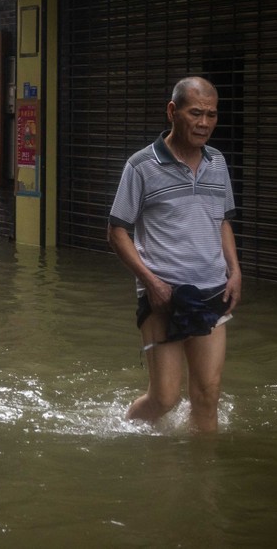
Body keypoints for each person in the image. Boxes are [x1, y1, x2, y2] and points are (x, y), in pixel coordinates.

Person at [108, 76, 241, 432]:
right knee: (164, 398)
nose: (204, 123)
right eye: (195, 113)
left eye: (211, 115)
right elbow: (117, 231)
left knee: (208, 394)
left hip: (212, 291)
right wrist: (150, 283)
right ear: (173, 111)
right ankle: (125, 432)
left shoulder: (218, 163)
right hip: (162, 296)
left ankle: (203, 479)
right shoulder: (141, 166)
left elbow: (223, 222)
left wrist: (235, 271)